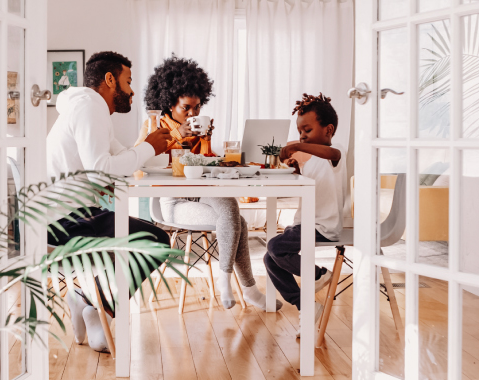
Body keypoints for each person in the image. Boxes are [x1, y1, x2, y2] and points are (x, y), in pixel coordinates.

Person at [46, 51, 173, 352]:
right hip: (61, 220)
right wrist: (147, 147)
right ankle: (92, 305)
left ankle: (87, 301)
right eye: (128, 82)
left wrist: (146, 149)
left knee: (146, 236)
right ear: (109, 80)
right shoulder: (90, 108)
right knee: (155, 240)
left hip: (69, 212)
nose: (131, 92)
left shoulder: (89, 108)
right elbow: (104, 168)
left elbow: (116, 160)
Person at [135, 56, 280, 311]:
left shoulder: (196, 127)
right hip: (172, 201)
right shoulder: (154, 125)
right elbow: (139, 166)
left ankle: (229, 281)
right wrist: (178, 135)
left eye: (197, 107)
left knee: (231, 208)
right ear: (169, 102)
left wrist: (206, 142)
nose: (193, 114)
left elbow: (201, 166)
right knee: (238, 221)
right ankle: (245, 288)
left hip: (200, 193)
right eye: (186, 108)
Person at [264, 92, 347, 338]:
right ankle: (306, 305)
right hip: (303, 223)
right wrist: (297, 168)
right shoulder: (311, 161)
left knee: (275, 247)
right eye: (300, 132)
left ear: (329, 130)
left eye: (307, 130)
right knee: (270, 259)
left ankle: (319, 274)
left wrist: (298, 146)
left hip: (323, 225)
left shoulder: (336, 152)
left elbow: (331, 156)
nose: (302, 136)